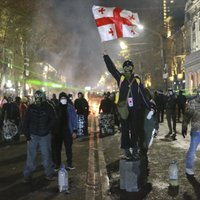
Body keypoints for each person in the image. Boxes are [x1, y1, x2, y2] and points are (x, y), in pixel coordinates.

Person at [103, 53, 155, 160]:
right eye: (126, 67)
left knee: (135, 130)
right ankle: (127, 150)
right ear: (123, 68)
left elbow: (142, 95)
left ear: (132, 68)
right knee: (125, 130)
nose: (128, 69)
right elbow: (112, 69)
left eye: (129, 67)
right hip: (124, 109)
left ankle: (135, 148)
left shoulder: (136, 80)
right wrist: (106, 56)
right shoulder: (120, 78)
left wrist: (149, 106)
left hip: (135, 109)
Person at [22, 90, 55, 183]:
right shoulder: (32, 107)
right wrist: (27, 135)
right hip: (35, 135)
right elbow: (26, 122)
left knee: (45, 155)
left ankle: (47, 174)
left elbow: (53, 120)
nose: (38, 99)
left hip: (42, 135)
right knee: (33, 156)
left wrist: (47, 130)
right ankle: (28, 175)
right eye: (37, 97)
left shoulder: (47, 107)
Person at [52, 92, 77, 171]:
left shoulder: (70, 107)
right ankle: (57, 164)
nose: (63, 100)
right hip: (58, 132)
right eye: (62, 98)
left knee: (68, 149)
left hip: (67, 131)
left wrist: (74, 130)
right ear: (59, 99)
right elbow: (53, 120)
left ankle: (69, 163)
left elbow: (74, 119)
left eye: (64, 98)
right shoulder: (56, 108)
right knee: (57, 149)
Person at [182, 88, 200, 176]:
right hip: (196, 131)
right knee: (192, 150)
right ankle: (189, 167)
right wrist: (184, 127)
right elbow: (186, 116)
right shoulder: (192, 103)